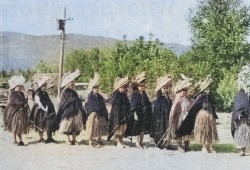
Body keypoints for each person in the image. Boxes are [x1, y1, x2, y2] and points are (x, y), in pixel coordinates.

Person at [176, 75, 218, 153]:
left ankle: (210, 146)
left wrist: (214, 116)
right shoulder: (201, 96)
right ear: (204, 89)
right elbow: (194, 106)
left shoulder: (209, 96)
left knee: (210, 131)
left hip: (209, 116)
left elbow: (212, 107)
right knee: (203, 131)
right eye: (207, 88)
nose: (208, 90)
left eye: (209, 88)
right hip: (202, 116)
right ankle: (204, 147)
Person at [53, 69, 87, 145]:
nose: (73, 85)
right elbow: (63, 103)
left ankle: (74, 140)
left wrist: (79, 105)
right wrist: (71, 101)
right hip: (67, 112)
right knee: (67, 127)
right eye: (71, 84)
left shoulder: (74, 92)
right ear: (68, 84)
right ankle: (68, 140)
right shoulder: (64, 92)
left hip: (75, 112)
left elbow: (78, 100)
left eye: (73, 84)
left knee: (75, 127)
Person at [163, 75, 192, 151]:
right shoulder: (178, 96)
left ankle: (186, 145)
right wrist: (172, 116)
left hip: (186, 116)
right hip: (179, 117)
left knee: (187, 131)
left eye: (186, 90)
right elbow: (174, 107)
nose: (184, 92)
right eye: (183, 90)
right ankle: (179, 146)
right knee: (179, 130)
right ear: (180, 90)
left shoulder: (187, 97)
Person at [125, 72, 152, 148]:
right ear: (137, 86)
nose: (142, 87)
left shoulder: (144, 94)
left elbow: (147, 102)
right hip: (137, 113)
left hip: (144, 113)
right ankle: (137, 143)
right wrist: (135, 114)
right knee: (137, 128)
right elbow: (133, 105)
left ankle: (141, 142)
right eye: (140, 86)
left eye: (143, 86)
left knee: (142, 128)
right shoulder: (135, 94)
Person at [29, 76, 56, 143]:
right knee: (40, 124)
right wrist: (45, 108)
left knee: (48, 124)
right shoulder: (37, 94)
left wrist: (50, 107)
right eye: (43, 86)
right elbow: (39, 103)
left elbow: (48, 101)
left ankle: (49, 138)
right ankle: (41, 138)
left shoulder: (45, 93)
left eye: (45, 86)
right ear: (40, 87)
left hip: (47, 111)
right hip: (40, 111)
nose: (44, 87)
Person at [4, 75, 29, 146]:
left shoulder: (21, 93)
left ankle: (21, 140)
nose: (20, 87)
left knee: (20, 127)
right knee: (15, 127)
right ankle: (15, 140)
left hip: (21, 113)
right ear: (15, 86)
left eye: (20, 86)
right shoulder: (12, 93)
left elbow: (24, 101)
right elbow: (11, 102)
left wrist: (25, 102)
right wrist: (21, 104)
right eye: (18, 86)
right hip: (15, 113)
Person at [85, 73, 109, 148]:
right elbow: (89, 105)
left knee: (101, 126)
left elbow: (103, 104)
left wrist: (104, 112)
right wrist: (94, 111)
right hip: (93, 114)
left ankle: (99, 139)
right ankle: (90, 141)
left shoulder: (100, 96)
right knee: (92, 127)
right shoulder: (90, 96)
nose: (97, 89)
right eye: (95, 88)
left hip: (100, 113)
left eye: (97, 88)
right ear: (92, 89)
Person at [231, 64, 250, 156]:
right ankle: (243, 150)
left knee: (245, 132)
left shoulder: (241, 95)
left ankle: (244, 150)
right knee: (243, 133)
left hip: (245, 119)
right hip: (243, 120)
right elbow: (238, 108)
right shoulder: (241, 95)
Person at [150, 75, 172, 146]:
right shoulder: (158, 99)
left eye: (166, 88)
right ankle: (160, 142)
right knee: (161, 128)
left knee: (166, 128)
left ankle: (166, 143)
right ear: (161, 89)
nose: (165, 90)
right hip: (160, 117)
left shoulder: (167, 97)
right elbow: (156, 108)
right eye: (164, 88)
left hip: (166, 116)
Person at [107, 76, 130, 148]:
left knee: (123, 127)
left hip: (123, 113)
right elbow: (113, 103)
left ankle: (122, 141)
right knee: (118, 127)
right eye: (121, 88)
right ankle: (118, 142)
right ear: (119, 88)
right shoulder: (115, 94)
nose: (123, 89)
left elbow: (127, 103)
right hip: (117, 113)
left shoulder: (124, 95)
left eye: (124, 87)